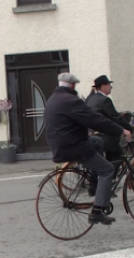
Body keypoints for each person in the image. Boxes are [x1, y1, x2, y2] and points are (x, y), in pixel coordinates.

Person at [44, 72, 131, 225]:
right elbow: (96, 120)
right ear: (72, 85)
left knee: (97, 141)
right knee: (108, 169)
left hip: (61, 143)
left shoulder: (53, 99)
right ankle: (97, 212)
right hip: (73, 145)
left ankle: (93, 183)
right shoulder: (70, 100)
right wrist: (120, 130)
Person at [86, 75, 134, 164]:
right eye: (109, 84)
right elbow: (116, 117)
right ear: (103, 86)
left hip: (91, 134)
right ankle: (111, 177)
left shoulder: (91, 99)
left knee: (109, 158)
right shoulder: (104, 100)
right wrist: (130, 128)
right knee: (117, 155)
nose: (111, 87)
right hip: (102, 136)